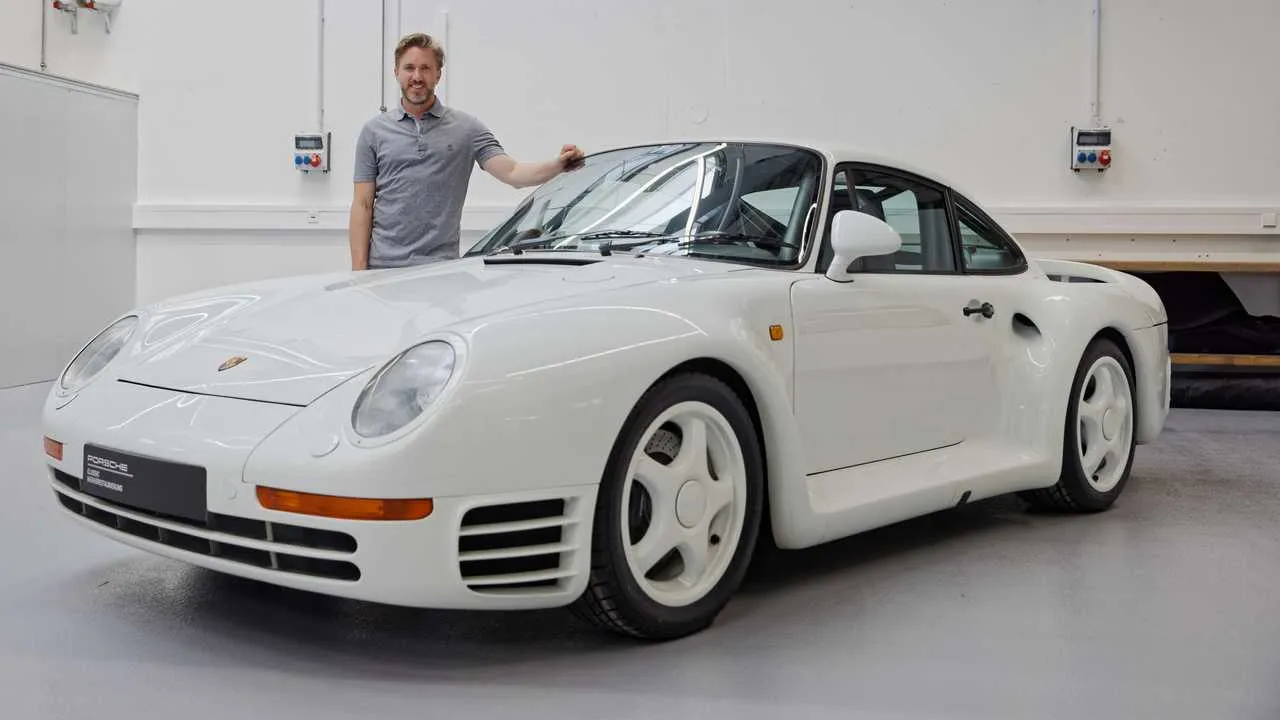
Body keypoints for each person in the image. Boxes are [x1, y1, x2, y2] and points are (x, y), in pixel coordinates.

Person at [349, 32, 584, 270]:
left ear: (438, 74)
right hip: (382, 269)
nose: (417, 76)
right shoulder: (374, 131)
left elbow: (513, 173)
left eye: (426, 68)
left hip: (440, 269)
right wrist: (359, 272)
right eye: (409, 68)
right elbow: (363, 205)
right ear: (396, 72)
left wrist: (559, 164)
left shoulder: (466, 129)